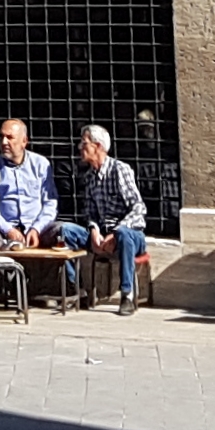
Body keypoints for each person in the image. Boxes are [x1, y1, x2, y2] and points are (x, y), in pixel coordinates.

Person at [72, 125, 152, 312]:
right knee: (65, 232)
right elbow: (90, 212)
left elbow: (139, 207)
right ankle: (77, 291)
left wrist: (116, 232)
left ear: (98, 146)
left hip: (129, 234)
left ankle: (127, 295)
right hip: (103, 235)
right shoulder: (90, 177)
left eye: (84, 143)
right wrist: (94, 231)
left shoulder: (119, 170)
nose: (80, 147)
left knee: (124, 235)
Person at [0, 116, 57, 253]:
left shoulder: (41, 164)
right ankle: (7, 272)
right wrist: (8, 230)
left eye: (10, 137)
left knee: (63, 232)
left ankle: (44, 275)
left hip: (38, 229)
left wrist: (36, 229)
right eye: (2, 137)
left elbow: (50, 203)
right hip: (4, 232)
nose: (4, 142)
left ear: (24, 141)